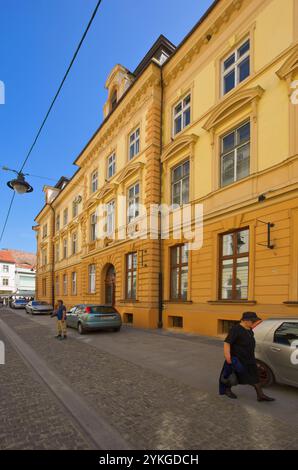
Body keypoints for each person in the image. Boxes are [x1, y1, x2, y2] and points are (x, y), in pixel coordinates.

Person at [221, 312, 275, 402]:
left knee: (255, 376)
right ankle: (227, 390)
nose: (254, 323)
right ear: (245, 320)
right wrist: (228, 357)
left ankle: (260, 395)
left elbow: (253, 326)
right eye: (253, 321)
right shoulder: (236, 329)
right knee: (233, 375)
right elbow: (227, 343)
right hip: (237, 358)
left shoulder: (248, 328)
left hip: (249, 358)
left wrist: (260, 321)